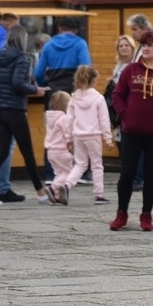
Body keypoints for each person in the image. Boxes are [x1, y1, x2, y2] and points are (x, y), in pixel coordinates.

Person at [109, 30, 153, 232]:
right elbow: (117, 95)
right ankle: (121, 213)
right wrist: (125, 114)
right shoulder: (130, 70)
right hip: (131, 131)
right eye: (144, 45)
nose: (146, 48)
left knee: (151, 174)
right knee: (127, 173)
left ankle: (146, 215)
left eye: (151, 45)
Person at [0, 25, 49, 209]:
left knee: (2, 151)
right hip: (15, 109)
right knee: (27, 152)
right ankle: (41, 192)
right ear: (21, 38)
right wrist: (36, 90)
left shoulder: (0, 56)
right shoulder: (22, 58)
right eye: (26, 36)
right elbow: (18, 83)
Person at [55, 64, 109, 205]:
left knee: (80, 164)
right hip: (94, 136)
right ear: (93, 80)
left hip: (78, 136)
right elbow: (104, 119)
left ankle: (67, 185)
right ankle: (99, 195)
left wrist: (68, 138)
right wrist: (108, 138)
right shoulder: (98, 98)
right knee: (97, 165)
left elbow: (69, 120)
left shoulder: (73, 98)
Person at [34, 17, 91, 97]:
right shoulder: (80, 44)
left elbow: (38, 74)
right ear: (75, 31)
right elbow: (86, 69)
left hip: (53, 92)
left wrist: (45, 84)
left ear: (60, 29)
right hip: (74, 92)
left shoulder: (48, 46)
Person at [43, 92, 74, 204]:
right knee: (68, 173)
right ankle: (53, 187)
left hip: (51, 152)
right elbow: (68, 133)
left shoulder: (50, 118)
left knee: (59, 173)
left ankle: (56, 195)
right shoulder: (63, 118)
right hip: (62, 150)